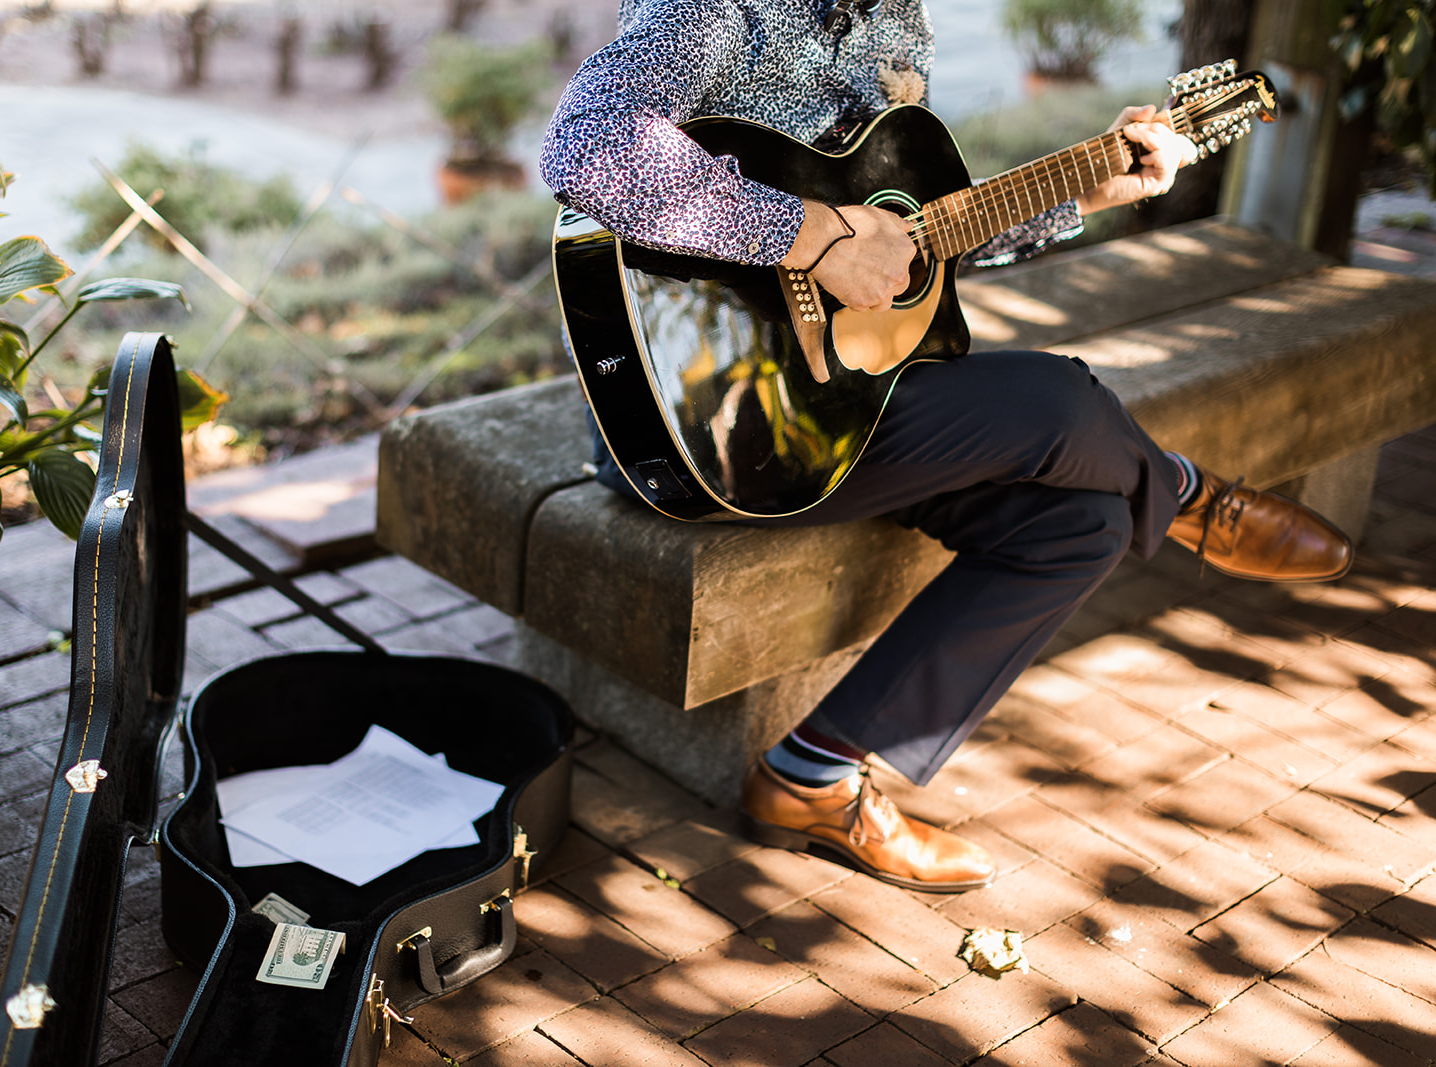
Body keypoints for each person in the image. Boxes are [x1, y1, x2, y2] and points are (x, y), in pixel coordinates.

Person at [539, 0, 1352, 893]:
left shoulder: (898, 22)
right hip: (707, 419)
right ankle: (1191, 498)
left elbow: (913, 236)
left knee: (1080, 524)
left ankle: (809, 775)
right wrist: (813, 237)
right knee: (1061, 399)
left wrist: (1081, 189)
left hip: (855, 398)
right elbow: (587, 150)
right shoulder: (718, 6)